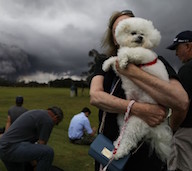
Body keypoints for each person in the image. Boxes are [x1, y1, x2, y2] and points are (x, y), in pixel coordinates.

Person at [89, 10, 189, 171]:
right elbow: (95, 96)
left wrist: (132, 72)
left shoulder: (157, 61)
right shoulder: (104, 63)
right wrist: (140, 109)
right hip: (107, 151)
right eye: (120, 28)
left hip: (147, 158)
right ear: (115, 37)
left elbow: (181, 101)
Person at [0, 106, 64, 171]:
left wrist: (34, 165)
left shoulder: (37, 113)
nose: (55, 125)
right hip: (10, 148)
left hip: (3, 148)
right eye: (57, 123)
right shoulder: (48, 120)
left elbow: (30, 144)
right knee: (48, 152)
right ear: (56, 117)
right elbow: (41, 145)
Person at [166, 30, 192, 171]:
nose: (176, 54)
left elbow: (181, 105)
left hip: (186, 131)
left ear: (188, 46)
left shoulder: (187, 70)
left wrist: (172, 127)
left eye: (177, 48)